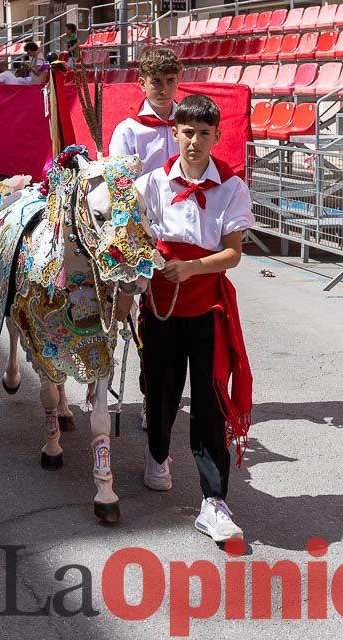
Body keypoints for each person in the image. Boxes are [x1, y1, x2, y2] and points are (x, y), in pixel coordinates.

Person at [131, 94, 254, 544]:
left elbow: (233, 253)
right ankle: (157, 453)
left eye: (205, 134)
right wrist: (146, 262)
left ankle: (214, 499)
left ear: (216, 136)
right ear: (175, 134)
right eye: (187, 133)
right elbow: (131, 232)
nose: (195, 142)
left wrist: (192, 267)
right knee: (161, 388)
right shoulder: (152, 184)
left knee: (208, 400)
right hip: (162, 304)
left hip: (207, 307)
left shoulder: (232, 187)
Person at [109, 47, 183, 173]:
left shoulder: (190, 123)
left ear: (178, 81)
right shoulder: (128, 131)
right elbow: (119, 181)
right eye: (156, 82)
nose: (164, 90)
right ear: (143, 84)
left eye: (170, 80)